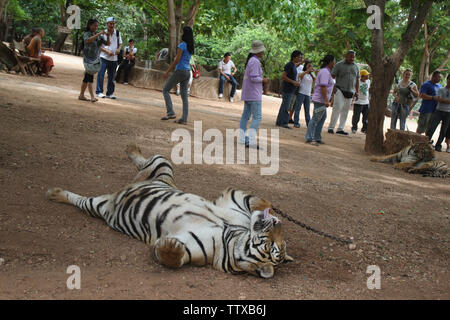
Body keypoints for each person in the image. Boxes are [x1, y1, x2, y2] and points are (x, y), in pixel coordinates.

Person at [161, 26, 194, 125]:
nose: (181, 33)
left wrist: (167, 71)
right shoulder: (190, 46)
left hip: (180, 71)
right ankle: (184, 119)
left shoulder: (182, 45)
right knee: (184, 97)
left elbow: (177, 60)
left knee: (165, 89)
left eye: (182, 32)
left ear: (184, 34)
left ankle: (170, 112)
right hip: (187, 72)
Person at [239, 40, 269, 148]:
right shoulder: (255, 61)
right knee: (257, 117)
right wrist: (264, 80)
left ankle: (242, 138)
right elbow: (254, 77)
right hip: (254, 94)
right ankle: (250, 140)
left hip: (248, 93)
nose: (263, 53)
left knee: (245, 116)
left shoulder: (250, 60)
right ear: (259, 51)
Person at [305, 54, 335, 145]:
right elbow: (323, 86)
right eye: (334, 61)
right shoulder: (325, 72)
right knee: (316, 118)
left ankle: (317, 137)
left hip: (320, 99)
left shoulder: (326, 71)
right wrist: (326, 100)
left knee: (322, 117)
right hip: (320, 100)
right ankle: (310, 137)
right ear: (330, 62)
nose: (334, 63)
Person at [328, 50, 360, 135]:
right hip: (339, 90)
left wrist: (357, 91)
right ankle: (331, 127)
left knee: (345, 111)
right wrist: (333, 87)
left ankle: (340, 128)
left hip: (350, 91)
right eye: (350, 56)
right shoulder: (339, 65)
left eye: (353, 57)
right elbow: (332, 77)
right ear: (346, 56)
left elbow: (357, 80)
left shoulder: (356, 67)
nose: (352, 58)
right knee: (337, 108)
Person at [79, 19, 110, 103]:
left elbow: (107, 44)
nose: (96, 27)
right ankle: (92, 96)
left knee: (87, 77)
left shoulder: (98, 36)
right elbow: (88, 40)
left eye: (97, 26)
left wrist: (107, 36)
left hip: (95, 58)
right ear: (90, 25)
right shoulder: (87, 34)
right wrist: (99, 33)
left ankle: (81, 95)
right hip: (88, 58)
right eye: (94, 25)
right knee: (90, 76)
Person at [275, 50, 303, 129]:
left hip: (291, 89)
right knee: (286, 107)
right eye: (299, 57)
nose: (300, 59)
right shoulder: (289, 65)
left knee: (284, 106)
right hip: (287, 89)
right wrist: (293, 82)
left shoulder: (293, 65)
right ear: (294, 57)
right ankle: (284, 122)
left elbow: (297, 64)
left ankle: (279, 122)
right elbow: (283, 76)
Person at [96, 17, 122, 99]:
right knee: (101, 74)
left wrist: (118, 49)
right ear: (107, 24)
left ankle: (110, 93)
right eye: (110, 23)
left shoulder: (117, 33)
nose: (112, 25)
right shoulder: (103, 33)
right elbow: (99, 45)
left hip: (114, 59)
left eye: (113, 23)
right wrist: (106, 51)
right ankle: (99, 92)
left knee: (112, 76)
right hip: (103, 57)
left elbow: (120, 43)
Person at [426, 74, 450, 152]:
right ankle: (426, 143)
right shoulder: (441, 89)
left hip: (448, 112)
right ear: (447, 79)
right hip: (438, 111)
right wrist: (446, 101)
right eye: (449, 79)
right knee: (432, 127)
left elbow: (441, 99)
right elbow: (438, 99)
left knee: (444, 130)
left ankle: (438, 145)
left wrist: (443, 100)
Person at [292, 60, 314, 128]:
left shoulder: (311, 75)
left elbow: (315, 80)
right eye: (309, 65)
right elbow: (300, 76)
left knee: (307, 110)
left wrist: (312, 72)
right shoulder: (302, 72)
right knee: (298, 108)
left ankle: (308, 124)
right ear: (306, 66)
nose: (310, 67)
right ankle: (296, 122)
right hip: (301, 92)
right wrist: (307, 71)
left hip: (308, 94)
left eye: (311, 65)